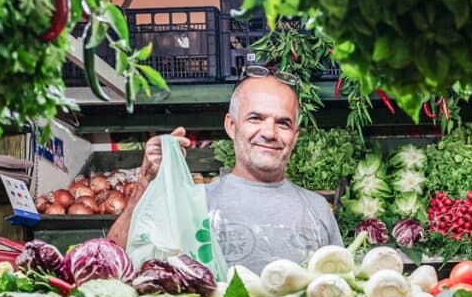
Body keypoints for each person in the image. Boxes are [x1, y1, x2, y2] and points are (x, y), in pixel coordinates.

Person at [108, 67, 343, 271]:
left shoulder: (318, 209)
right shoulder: (193, 205)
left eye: (283, 123)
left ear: (294, 136)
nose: (270, 133)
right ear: (231, 125)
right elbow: (112, 261)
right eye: (255, 118)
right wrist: (146, 181)